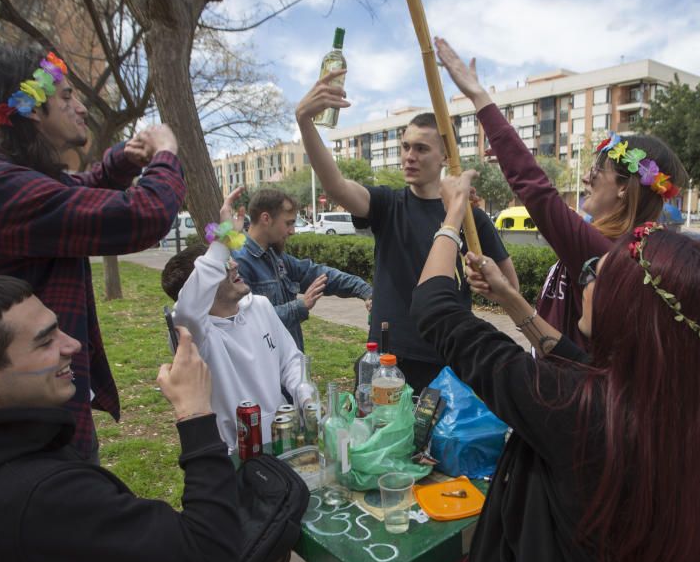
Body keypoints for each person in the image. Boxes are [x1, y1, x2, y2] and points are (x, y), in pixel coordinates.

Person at [392, 170, 700, 562]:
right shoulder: (689, 417)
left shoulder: (576, 411)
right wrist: (512, 299)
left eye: (599, 273)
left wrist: (453, 214)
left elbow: (435, 310)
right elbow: (577, 362)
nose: (588, 280)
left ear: (632, 313)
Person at [0, 275, 367, 562]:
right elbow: (212, 546)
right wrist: (195, 413)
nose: (73, 345)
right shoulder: (35, 494)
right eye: (45, 340)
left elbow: (95, 553)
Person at [0, 44, 186, 462]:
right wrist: (166, 154)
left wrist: (122, 161)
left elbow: (79, 189)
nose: (80, 106)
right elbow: (144, 214)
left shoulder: (5, 175)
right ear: (35, 111)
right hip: (28, 428)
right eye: (66, 96)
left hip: (40, 403)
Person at [435, 37, 686, 349]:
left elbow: (539, 195)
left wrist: (478, 96)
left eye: (597, 170)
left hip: (571, 386)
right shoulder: (614, 245)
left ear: (624, 187)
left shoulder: (607, 252)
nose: (585, 177)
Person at [297, 74, 519, 392]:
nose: (409, 155)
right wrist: (305, 121)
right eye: (405, 146)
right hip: (387, 359)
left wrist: (485, 279)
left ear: (445, 156)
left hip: (447, 360)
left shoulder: (472, 219)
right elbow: (336, 185)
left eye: (421, 148)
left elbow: (511, 287)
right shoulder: (388, 205)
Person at [163, 187, 303, 452]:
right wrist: (221, 239)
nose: (235, 265)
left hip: (281, 444)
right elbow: (188, 309)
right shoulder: (194, 338)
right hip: (233, 455)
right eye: (224, 265)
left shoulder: (259, 307)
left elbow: (290, 360)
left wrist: (303, 392)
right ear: (203, 286)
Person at [232, 188, 373, 352]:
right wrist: (300, 306)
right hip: (265, 373)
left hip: (290, 367)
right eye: (288, 223)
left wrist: (365, 291)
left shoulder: (275, 257)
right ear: (266, 218)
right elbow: (248, 322)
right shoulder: (238, 263)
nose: (292, 231)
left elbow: (318, 274)